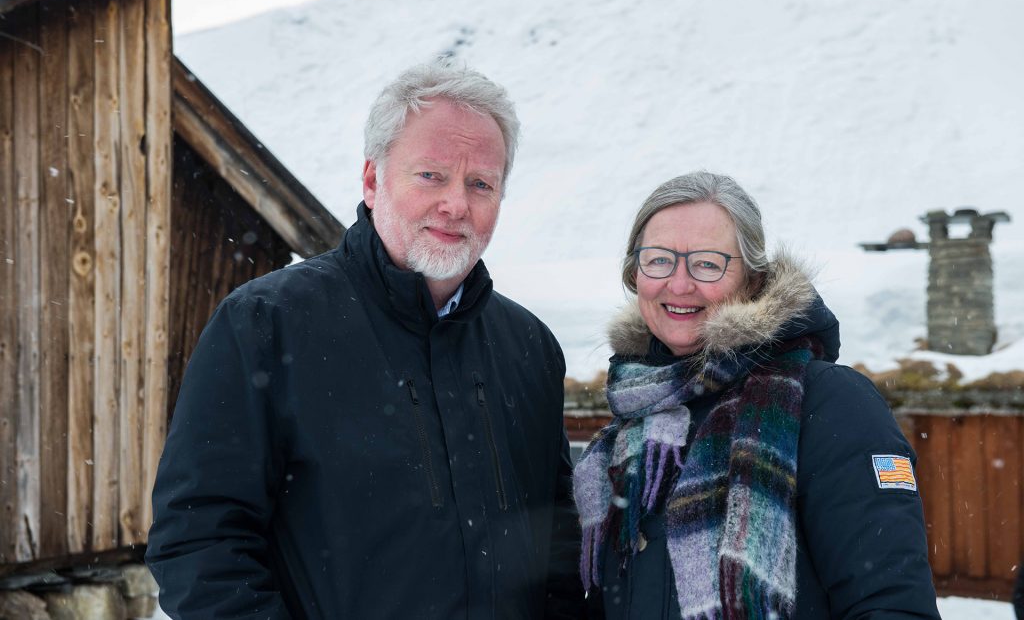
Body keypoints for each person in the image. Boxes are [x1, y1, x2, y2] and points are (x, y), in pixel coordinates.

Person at [146, 61, 585, 619]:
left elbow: (556, 547)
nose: (457, 204)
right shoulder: (265, 323)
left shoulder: (529, 346)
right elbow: (199, 540)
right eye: (431, 175)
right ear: (373, 180)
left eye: (480, 183)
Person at [572, 171, 940, 619]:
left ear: (752, 279)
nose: (680, 284)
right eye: (659, 260)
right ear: (635, 274)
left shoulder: (831, 404)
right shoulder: (633, 422)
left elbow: (890, 603)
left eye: (707, 263)